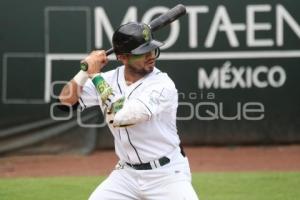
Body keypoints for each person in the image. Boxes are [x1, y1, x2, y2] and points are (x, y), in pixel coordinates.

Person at [59, 22, 199, 200]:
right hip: (127, 174)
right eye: (142, 52)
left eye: (152, 49)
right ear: (122, 57)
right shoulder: (109, 79)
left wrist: (95, 76)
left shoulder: (163, 84)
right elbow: (64, 102)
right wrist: (84, 72)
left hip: (166, 174)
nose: (151, 56)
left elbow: (122, 116)